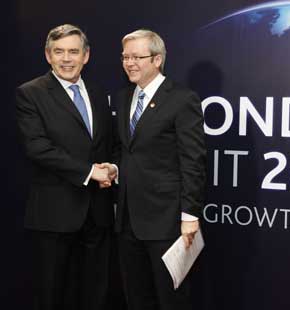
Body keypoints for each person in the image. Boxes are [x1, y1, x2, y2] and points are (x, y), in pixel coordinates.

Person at [103, 29, 206, 310]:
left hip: (167, 220)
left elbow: (193, 161)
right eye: (125, 56)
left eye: (137, 56)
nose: (129, 63)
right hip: (127, 220)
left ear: (157, 59)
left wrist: (190, 216)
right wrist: (113, 168)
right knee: (136, 297)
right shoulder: (124, 97)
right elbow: (124, 149)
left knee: (170, 299)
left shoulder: (182, 99)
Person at [15, 24, 115, 310]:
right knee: (52, 294)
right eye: (59, 52)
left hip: (97, 212)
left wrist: (108, 169)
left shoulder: (97, 92)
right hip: (54, 214)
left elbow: (102, 143)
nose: (66, 59)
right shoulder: (30, 93)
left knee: (95, 292)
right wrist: (89, 172)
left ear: (86, 56)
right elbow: (38, 148)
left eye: (73, 51)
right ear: (48, 56)